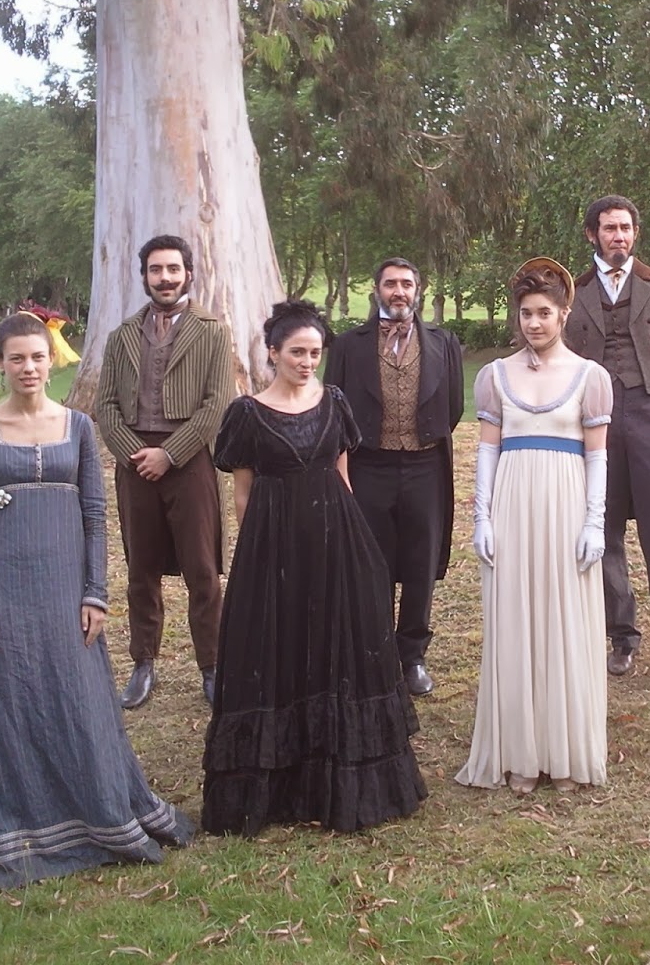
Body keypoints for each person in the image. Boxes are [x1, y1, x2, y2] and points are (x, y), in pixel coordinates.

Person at [0, 314, 193, 891]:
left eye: (37, 357)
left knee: (77, 698)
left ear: (51, 360)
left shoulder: (80, 426)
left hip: (67, 592)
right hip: (4, 591)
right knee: (10, 702)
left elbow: (95, 515)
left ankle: (99, 815)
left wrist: (95, 593)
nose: (28, 368)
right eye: (16, 358)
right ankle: (20, 828)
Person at [203, 300, 426, 836]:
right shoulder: (246, 414)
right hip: (273, 543)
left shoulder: (335, 403)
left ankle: (336, 772)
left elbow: (343, 478)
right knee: (279, 650)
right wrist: (255, 560)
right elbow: (242, 494)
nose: (307, 362)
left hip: (335, 538)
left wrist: (357, 549)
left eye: (314, 353)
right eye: (296, 353)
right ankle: (278, 783)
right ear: (272, 353)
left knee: (334, 648)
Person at [458, 259, 613, 794]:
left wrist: (594, 522)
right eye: (526, 313)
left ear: (564, 313)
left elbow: (597, 456)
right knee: (516, 621)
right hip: (513, 506)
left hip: (566, 505)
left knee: (564, 620)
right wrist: (482, 517)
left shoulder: (591, 378)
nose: (534, 323)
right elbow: (486, 451)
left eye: (544, 313)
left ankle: (565, 753)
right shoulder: (494, 376)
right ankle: (521, 752)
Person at [563, 195, 650, 688]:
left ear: (635, 233)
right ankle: (621, 637)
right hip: (594, 423)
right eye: (609, 228)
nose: (618, 236)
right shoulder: (573, 291)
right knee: (602, 533)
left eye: (625, 228)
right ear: (593, 234)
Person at [96, 234, 235, 708]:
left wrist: (169, 454)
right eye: (155, 270)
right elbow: (106, 405)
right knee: (141, 569)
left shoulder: (212, 331)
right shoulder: (121, 336)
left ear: (188, 274)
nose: (165, 278)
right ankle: (143, 662)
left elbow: (217, 404)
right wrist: (135, 453)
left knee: (203, 570)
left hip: (189, 461)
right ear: (144, 276)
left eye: (173, 269)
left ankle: (213, 665)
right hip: (134, 463)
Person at [322, 257, 464, 697]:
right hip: (369, 465)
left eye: (406, 283)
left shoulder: (444, 342)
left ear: (417, 290)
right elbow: (334, 406)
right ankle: (377, 652)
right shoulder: (349, 345)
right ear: (377, 290)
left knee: (422, 561)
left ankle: (413, 654)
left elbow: (453, 406)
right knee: (373, 561)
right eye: (390, 284)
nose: (398, 291)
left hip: (425, 467)